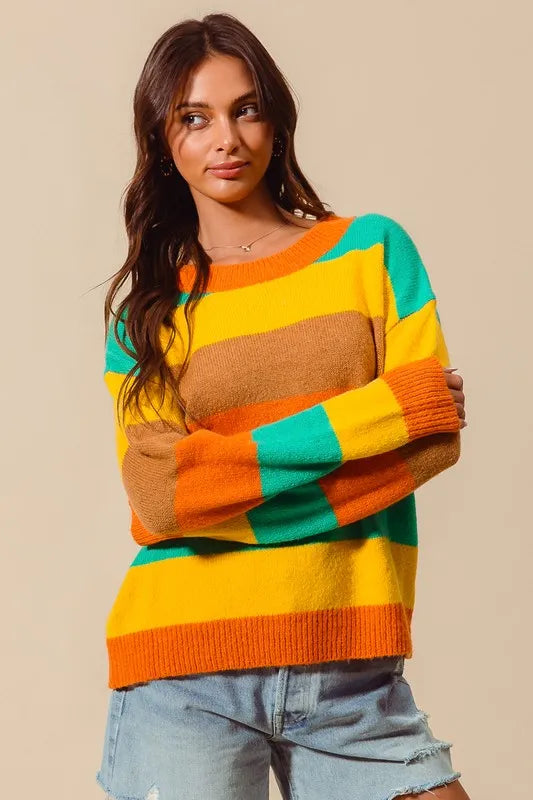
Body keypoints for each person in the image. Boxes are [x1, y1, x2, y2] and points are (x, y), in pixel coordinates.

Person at [95, 12, 470, 800]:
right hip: (182, 667)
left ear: (276, 120)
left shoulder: (369, 251)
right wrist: (385, 413)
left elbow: (431, 439)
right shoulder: (146, 317)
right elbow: (161, 497)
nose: (225, 139)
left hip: (352, 673)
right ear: (162, 142)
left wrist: (223, 485)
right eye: (194, 118)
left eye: (246, 110)